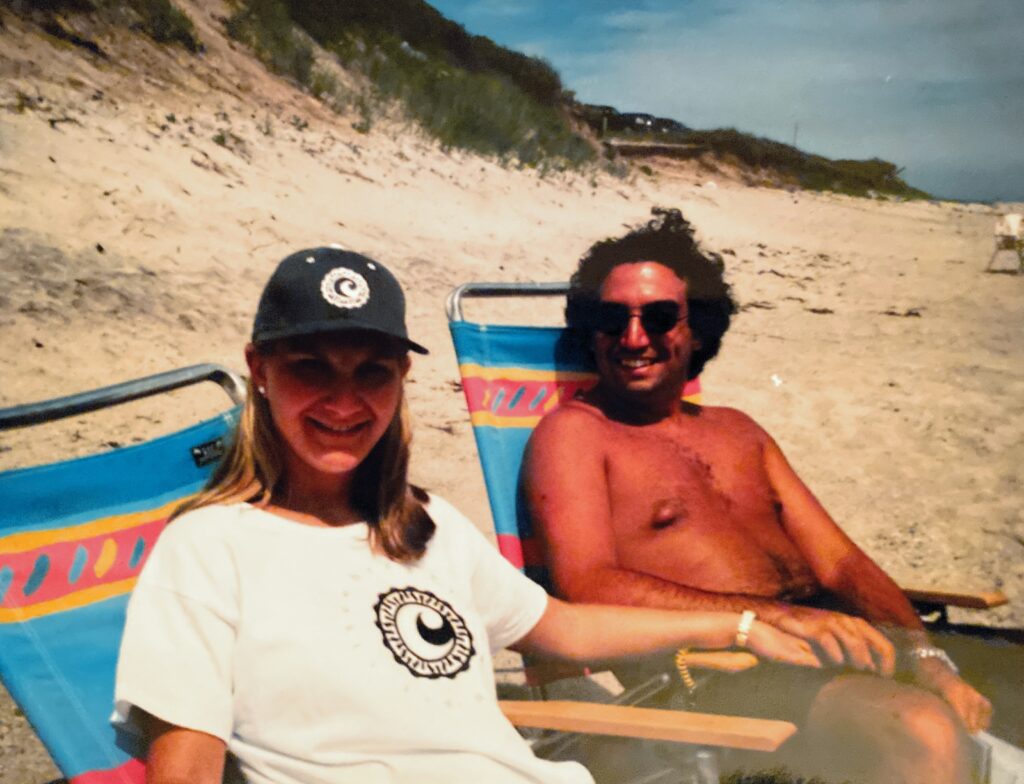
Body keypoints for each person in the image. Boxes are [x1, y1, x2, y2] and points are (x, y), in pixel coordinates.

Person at [112, 246, 820, 784]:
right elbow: (188, 762)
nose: (344, 401)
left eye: (372, 372)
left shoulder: (428, 526)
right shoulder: (210, 547)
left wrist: (746, 624)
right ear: (258, 370)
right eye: (311, 368)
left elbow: (561, 627)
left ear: (402, 380)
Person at [522, 209, 994, 784]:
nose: (634, 337)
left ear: (698, 329)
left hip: (839, 647)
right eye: (612, 318)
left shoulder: (739, 429)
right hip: (721, 670)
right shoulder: (574, 433)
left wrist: (926, 658)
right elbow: (587, 583)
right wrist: (772, 617)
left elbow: (841, 562)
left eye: (661, 316)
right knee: (919, 731)